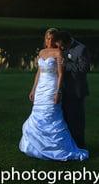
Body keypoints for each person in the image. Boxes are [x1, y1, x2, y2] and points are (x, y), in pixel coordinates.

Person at [19, 29, 88, 161]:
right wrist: (33, 89)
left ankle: (59, 148)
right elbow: (38, 72)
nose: (49, 41)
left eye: (52, 39)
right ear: (45, 39)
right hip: (41, 89)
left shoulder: (58, 52)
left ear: (55, 40)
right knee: (38, 115)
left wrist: (58, 91)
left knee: (51, 115)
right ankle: (36, 145)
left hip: (52, 87)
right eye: (47, 38)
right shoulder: (41, 52)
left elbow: (61, 74)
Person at [56, 30, 90, 148]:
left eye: (61, 44)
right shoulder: (60, 48)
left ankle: (80, 145)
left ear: (68, 41)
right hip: (63, 90)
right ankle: (67, 145)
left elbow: (83, 68)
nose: (59, 47)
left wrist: (65, 64)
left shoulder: (81, 48)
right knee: (64, 119)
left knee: (77, 121)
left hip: (76, 90)